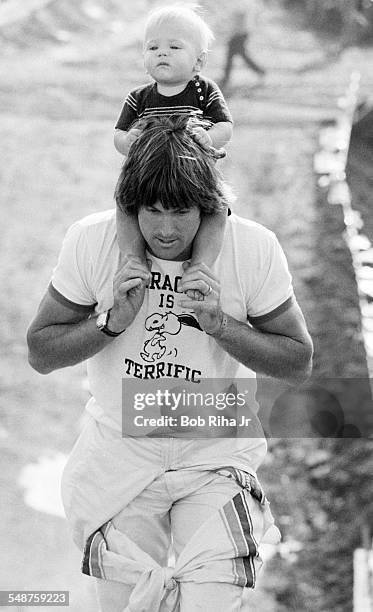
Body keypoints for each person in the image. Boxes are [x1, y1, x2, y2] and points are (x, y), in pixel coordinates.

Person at [27, 115, 313, 612]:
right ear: (130, 205)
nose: (164, 229)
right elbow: (41, 351)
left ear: (207, 206)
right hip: (120, 455)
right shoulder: (92, 240)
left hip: (215, 452)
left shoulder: (253, 247)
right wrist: (109, 323)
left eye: (181, 212)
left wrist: (222, 325)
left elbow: (298, 362)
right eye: (151, 211)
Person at [114, 4, 233, 297]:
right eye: (153, 47)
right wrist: (126, 142)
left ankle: (201, 265)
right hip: (146, 174)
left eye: (174, 46)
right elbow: (118, 134)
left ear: (198, 62)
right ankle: (133, 259)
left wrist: (209, 138)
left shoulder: (204, 90)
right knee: (125, 204)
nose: (162, 53)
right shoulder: (139, 97)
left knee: (216, 210)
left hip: (196, 176)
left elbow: (226, 126)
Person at [220, 1, 266, 91]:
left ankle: (226, 78)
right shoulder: (243, 3)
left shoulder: (242, 4)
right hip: (241, 33)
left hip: (240, 33)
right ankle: (259, 71)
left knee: (235, 55)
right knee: (236, 55)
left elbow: (240, 18)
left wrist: (233, 32)